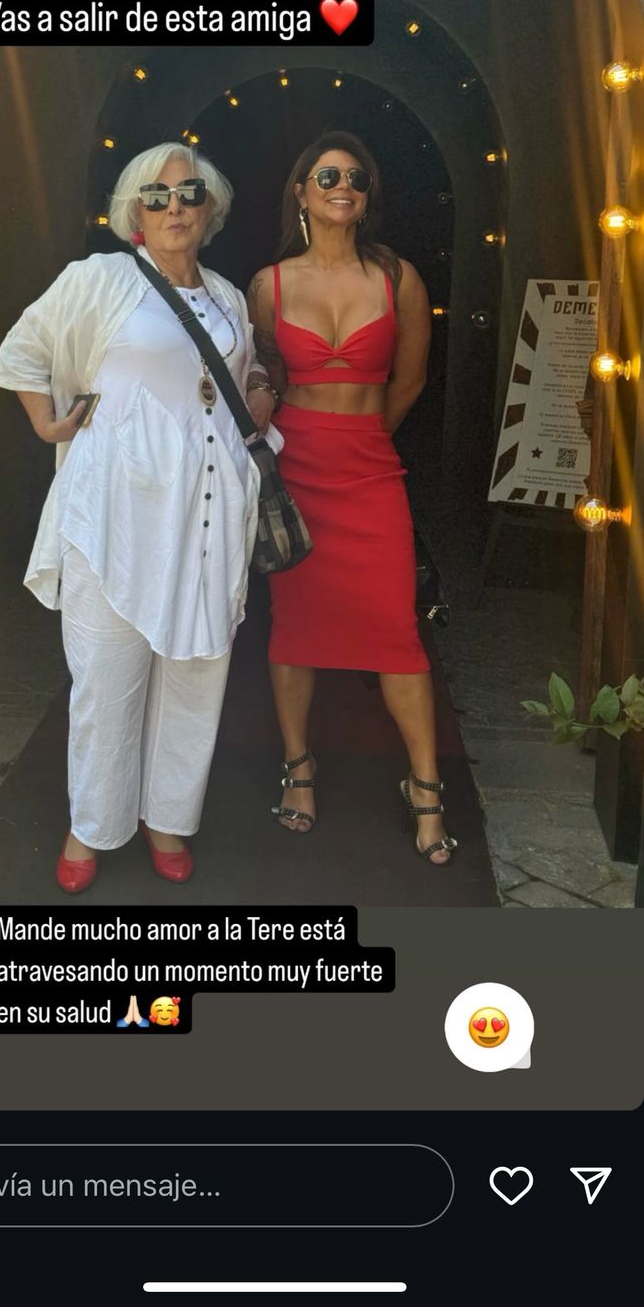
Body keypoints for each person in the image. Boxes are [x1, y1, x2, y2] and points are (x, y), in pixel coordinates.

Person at [0, 143, 278, 893]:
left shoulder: (228, 296)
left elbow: (238, 369)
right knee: (106, 679)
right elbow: (23, 349)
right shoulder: (102, 279)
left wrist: (258, 386)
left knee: (195, 670)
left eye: (189, 193)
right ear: (134, 214)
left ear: (210, 208)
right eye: (156, 195)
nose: (173, 206)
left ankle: (168, 817)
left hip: (206, 512)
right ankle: (91, 825)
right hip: (115, 513)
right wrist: (47, 424)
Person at [246, 131, 457, 866]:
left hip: (369, 469)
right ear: (301, 192)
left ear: (367, 199)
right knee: (294, 623)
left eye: (357, 179)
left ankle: (425, 787)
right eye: (328, 176)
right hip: (295, 469)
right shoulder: (267, 285)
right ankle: (298, 768)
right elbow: (261, 380)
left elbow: (410, 378)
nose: (344, 187)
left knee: (396, 627)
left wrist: (363, 438)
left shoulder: (398, 278)